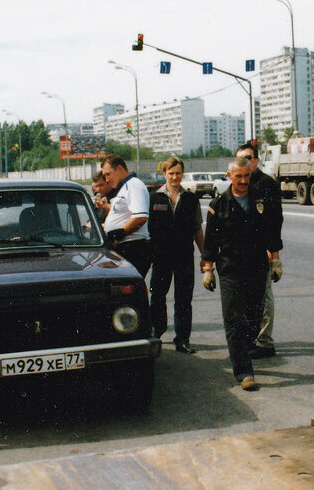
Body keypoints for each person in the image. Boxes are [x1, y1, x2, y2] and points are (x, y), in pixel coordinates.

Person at [201, 157, 283, 391]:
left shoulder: (261, 199)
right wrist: (208, 269)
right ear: (229, 176)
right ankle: (244, 371)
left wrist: (275, 261)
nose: (244, 181)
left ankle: (243, 351)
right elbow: (211, 240)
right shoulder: (219, 204)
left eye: (247, 176)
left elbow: (272, 232)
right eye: (239, 176)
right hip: (231, 268)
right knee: (233, 318)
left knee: (254, 317)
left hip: (257, 266)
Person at [148, 157, 206, 354]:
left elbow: (197, 229)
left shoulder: (191, 199)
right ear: (164, 174)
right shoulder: (153, 198)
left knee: (183, 299)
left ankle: (182, 339)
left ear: (182, 174)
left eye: (178, 173)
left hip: (184, 257)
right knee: (157, 296)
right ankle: (156, 333)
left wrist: (205, 256)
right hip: (161, 256)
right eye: (171, 173)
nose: (175, 177)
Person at [235, 140, 283, 358]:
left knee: (263, 296)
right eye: (240, 159)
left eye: (248, 158)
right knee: (245, 298)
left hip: (262, 251)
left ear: (256, 160)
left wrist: (274, 255)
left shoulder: (266, 184)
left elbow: (275, 221)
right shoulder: (237, 183)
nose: (244, 162)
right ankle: (250, 338)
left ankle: (264, 341)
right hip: (241, 252)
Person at [99, 154, 152, 277]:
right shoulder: (124, 187)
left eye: (108, 174)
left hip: (134, 248)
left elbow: (141, 217)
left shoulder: (134, 185)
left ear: (120, 169)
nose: (106, 179)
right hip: (126, 247)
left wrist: (119, 234)